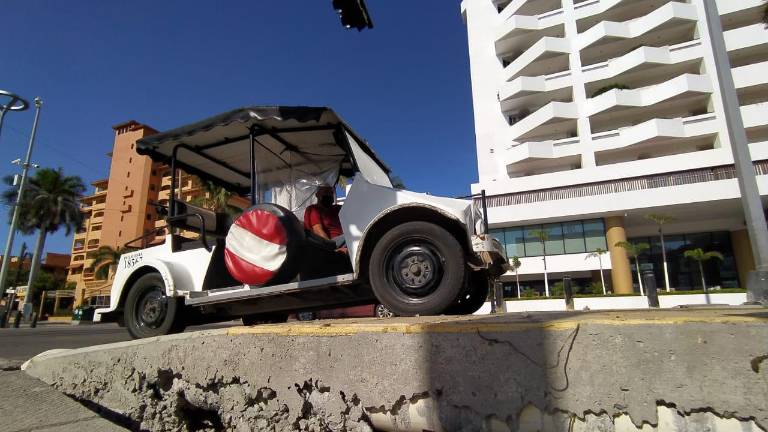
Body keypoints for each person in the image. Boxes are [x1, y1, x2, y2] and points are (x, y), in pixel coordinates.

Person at [303, 184, 347, 253]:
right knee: (350, 237)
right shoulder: (313, 209)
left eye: (331, 193)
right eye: (326, 192)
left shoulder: (337, 208)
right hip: (330, 243)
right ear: (317, 195)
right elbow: (318, 230)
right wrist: (332, 250)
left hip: (343, 239)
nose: (329, 195)